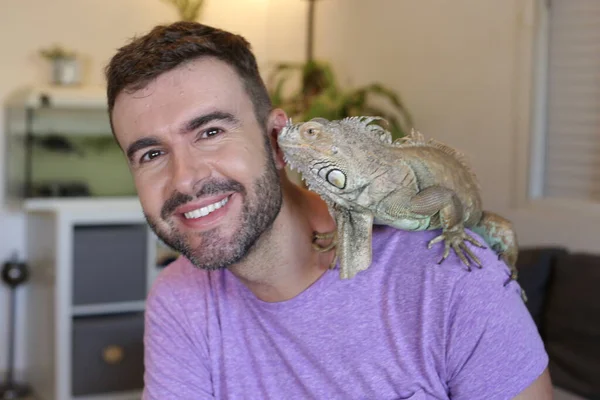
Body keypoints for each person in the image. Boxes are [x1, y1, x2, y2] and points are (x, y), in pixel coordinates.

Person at [104, 21, 553, 399]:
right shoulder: (179, 297)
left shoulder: (450, 273)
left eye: (210, 132)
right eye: (150, 154)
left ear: (278, 140)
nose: (183, 179)